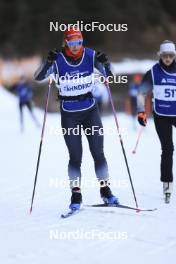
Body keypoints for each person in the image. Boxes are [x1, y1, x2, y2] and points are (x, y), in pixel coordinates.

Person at [34, 27, 119, 210]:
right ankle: (76, 195)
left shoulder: (90, 55)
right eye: (72, 43)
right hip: (69, 114)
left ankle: (105, 191)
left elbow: (109, 76)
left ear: (82, 42)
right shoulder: (57, 59)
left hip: (90, 111)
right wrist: (47, 62)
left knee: (98, 153)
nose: (75, 46)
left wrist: (107, 63)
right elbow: (38, 77)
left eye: (78, 42)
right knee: (75, 157)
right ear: (66, 42)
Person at [137, 40, 176, 203]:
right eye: (165, 56)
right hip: (161, 116)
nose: (168, 59)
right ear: (160, 56)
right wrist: (141, 112)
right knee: (168, 149)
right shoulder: (153, 72)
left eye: (171, 56)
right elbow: (141, 93)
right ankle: (167, 185)